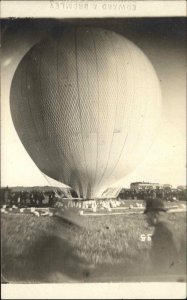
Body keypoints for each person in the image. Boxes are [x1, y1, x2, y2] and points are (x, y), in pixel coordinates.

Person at [144, 198, 186, 276]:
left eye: (147, 215)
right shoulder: (165, 226)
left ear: (154, 215)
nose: (146, 218)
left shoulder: (162, 230)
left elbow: (173, 254)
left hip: (166, 273)